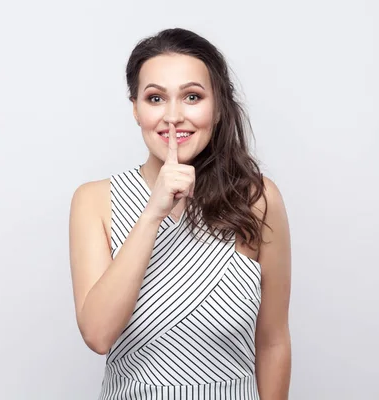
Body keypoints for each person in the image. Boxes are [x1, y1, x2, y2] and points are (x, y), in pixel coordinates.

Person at [69, 27, 292, 399]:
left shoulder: (257, 198)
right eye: (155, 98)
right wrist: (153, 212)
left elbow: (273, 343)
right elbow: (97, 334)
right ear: (136, 110)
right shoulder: (95, 201)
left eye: (192, 96)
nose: (173, 116)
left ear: (218, 107)